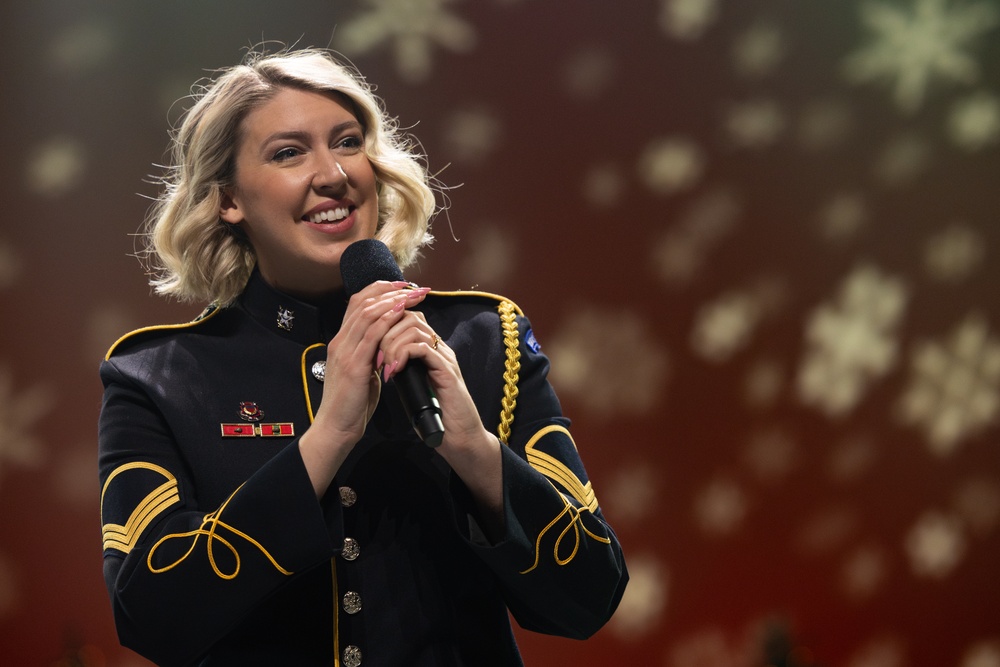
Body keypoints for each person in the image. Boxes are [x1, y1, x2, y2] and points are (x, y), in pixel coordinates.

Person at [98, 47, 627, 667]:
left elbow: (590, 595)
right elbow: (151, 616)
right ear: (227, 199)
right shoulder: (155, 375)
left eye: (347, 142)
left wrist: (475, 452)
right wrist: (329, 438)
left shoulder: (487, 339)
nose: (333, 174)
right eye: (289, 153)